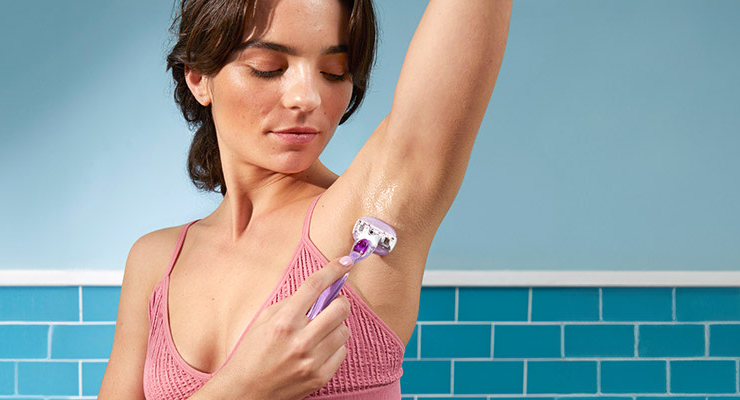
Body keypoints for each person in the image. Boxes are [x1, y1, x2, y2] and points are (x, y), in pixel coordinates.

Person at [98, 0, 510, 398]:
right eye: (269, 68)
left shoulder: (366, 219)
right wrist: (244, 388)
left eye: (334, 72)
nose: (307, 98)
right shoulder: (154, 262)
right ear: (198, 78)